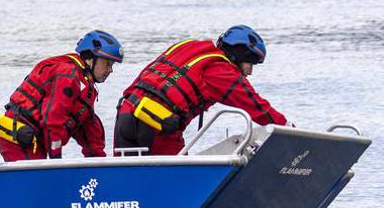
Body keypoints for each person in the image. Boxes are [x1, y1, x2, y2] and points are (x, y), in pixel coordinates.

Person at [113, 25, 287, 156]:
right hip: (161, 125)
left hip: (127, 111)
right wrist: (289, 130)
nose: (250, 72)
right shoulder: (221, 70)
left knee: (124, 179)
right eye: (250, 64)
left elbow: (147, 74)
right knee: (179, 181)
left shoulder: (189, 46)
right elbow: (257, 107)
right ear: (239, 56)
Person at [0, 30, 125, 162]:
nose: (110, 70)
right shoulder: (67, 75)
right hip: (19, 138)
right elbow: (53, 120)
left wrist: (100, 163)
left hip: (34, 139)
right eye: (107, 64)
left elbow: (89, 129)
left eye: (112, 65)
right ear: (91, 59)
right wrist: (56, 160)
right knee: (40, 180)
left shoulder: (85, 87)